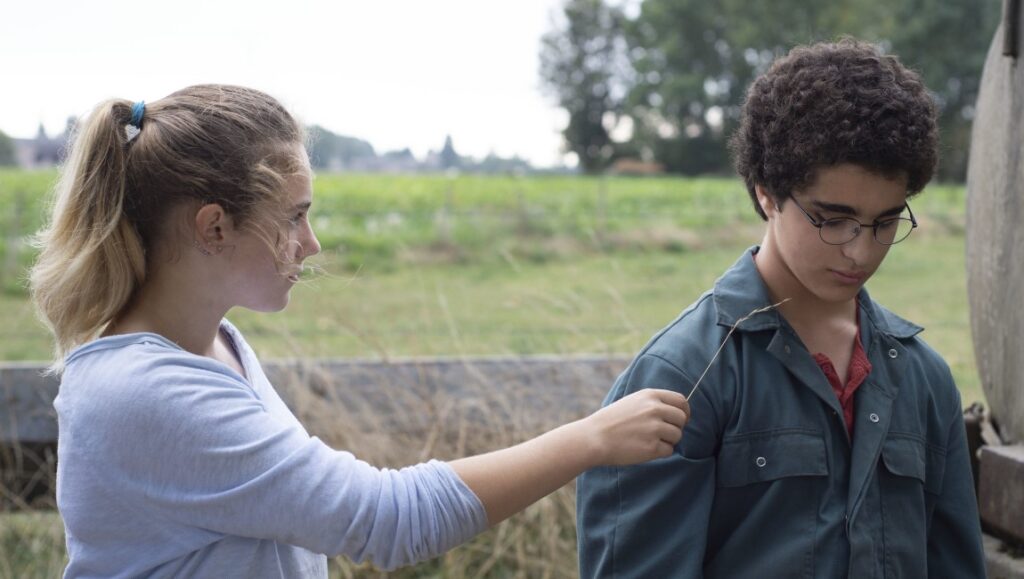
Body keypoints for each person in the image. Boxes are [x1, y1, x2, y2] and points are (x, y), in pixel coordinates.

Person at [28, 85, 690, 578]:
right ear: (214, 227)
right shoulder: (146, 392)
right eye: (294, 216)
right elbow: (386, 519)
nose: (310, 243)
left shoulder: (215, 346)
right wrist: (590, 438)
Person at [576, 39, 985, 577]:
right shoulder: (684, 378)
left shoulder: (925, 379)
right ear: (767, 193)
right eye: (832, 218)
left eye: (885, 222)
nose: (860, 250)